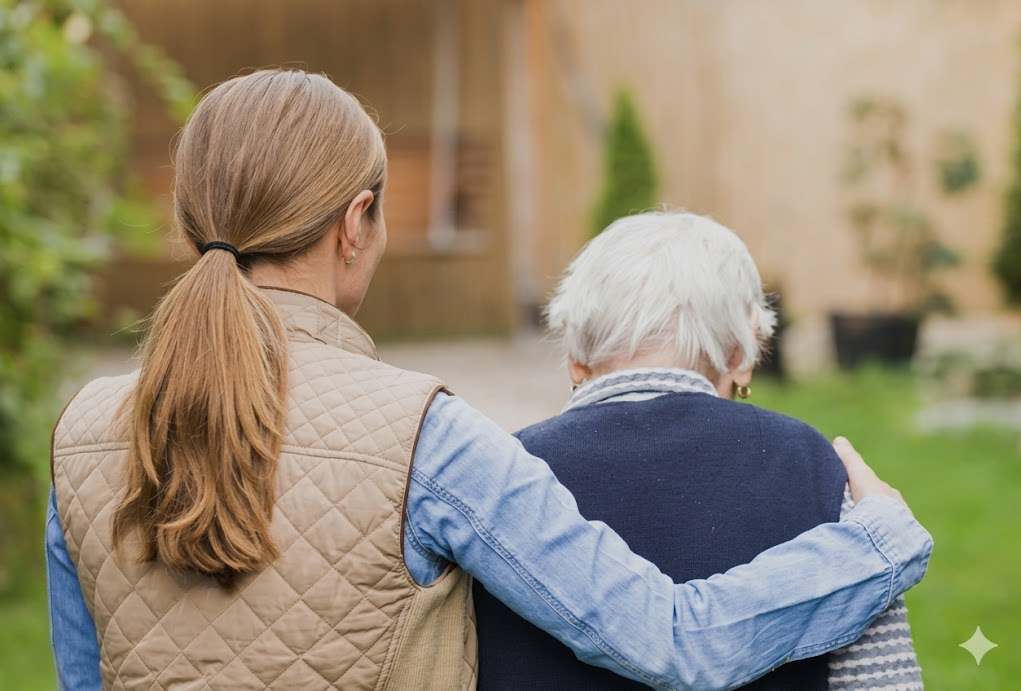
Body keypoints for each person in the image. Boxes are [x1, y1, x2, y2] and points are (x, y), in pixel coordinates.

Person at [47, 70, 931, 691]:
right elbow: (672, 640)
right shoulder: (423, 437)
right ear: (357, 223)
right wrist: (877, 545)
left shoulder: (80, 434)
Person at [474, 211, 924, 690]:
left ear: (573, 350)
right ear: (743, 352)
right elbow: (881, 678)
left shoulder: (499, 474)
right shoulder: (814, 465)